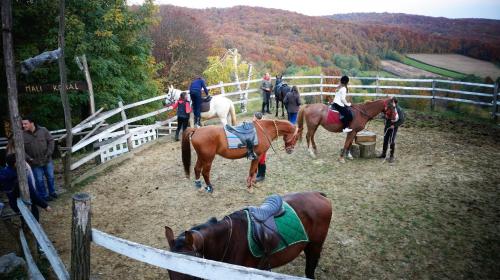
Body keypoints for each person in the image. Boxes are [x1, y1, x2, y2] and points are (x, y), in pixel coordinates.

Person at [0, 154, 52, 222]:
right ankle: (32, 230)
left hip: (14, 204)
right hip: (25, 204)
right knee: (33, 212)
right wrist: (45, 206)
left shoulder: (3, 173)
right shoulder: (21, 177)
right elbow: (33, 194)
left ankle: (25, 226)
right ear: (16, 163)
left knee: (23, 214)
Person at [21, 116, 57, 201]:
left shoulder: (43, 130)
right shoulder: (22, 135)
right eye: (22, 124)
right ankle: (44, 196)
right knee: (39, 180)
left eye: (25, 123)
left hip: (47, 159)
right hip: (34, 163)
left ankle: (52, 192)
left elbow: (51, 141)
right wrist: (29, 159)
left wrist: (49, 153)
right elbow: (20, 150)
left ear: (32, 123)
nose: (23, 126)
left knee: (51, 177)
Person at [378, 99, 405, 163]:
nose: (389, 103)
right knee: (385, 140)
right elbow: (386, 115)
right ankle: (383, 154)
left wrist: (394, 125)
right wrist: (384, 116)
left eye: (391, 102)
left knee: (392, 141)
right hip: (387, 126)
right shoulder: (389, 107)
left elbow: (401, 120)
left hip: (393, 127)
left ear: (394, 102)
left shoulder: (399, 110)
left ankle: (391, 156)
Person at [254, 112, 267, 182]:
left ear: (256, 118)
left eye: (254, 117)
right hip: (258, 145)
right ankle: (259, 174)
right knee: (259, 160)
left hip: (262, 146)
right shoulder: (256, 123)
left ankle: (262, 176)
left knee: (262, 160)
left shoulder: (261, 125)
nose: (253, 118)